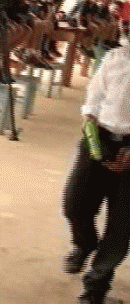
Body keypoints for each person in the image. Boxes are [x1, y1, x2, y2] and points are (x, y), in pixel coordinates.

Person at [62, 41, 130, 304]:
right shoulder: (116, 56)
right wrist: (89, 115)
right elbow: (96, 91)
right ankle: (85, 243)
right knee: (75, 205)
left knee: (120, 226)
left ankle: (96, 286)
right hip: (100, 137)